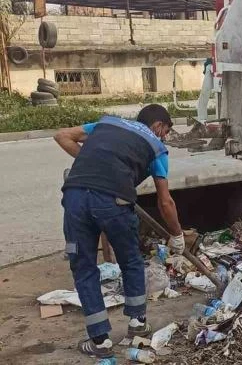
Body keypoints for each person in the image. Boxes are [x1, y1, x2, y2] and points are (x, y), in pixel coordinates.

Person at [55, 104, 185, 359]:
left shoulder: (107, 124)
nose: (166, 137)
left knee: (83, 267)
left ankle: (100, 340)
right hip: (113, 202)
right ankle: (138, 324)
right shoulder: (156, 147)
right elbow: (165, 201)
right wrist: (177, 234)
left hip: (75, 197)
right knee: (131, 261)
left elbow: (62, 136)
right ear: (158, 126)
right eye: (166, 131)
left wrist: (93, 164)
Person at [196, 57, 213, 122]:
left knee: (201, 103)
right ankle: (203, 121)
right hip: (210, 70)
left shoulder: (209, 67)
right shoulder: (209, 67)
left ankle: (203, 121)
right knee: (201, 103)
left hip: (210, 70)